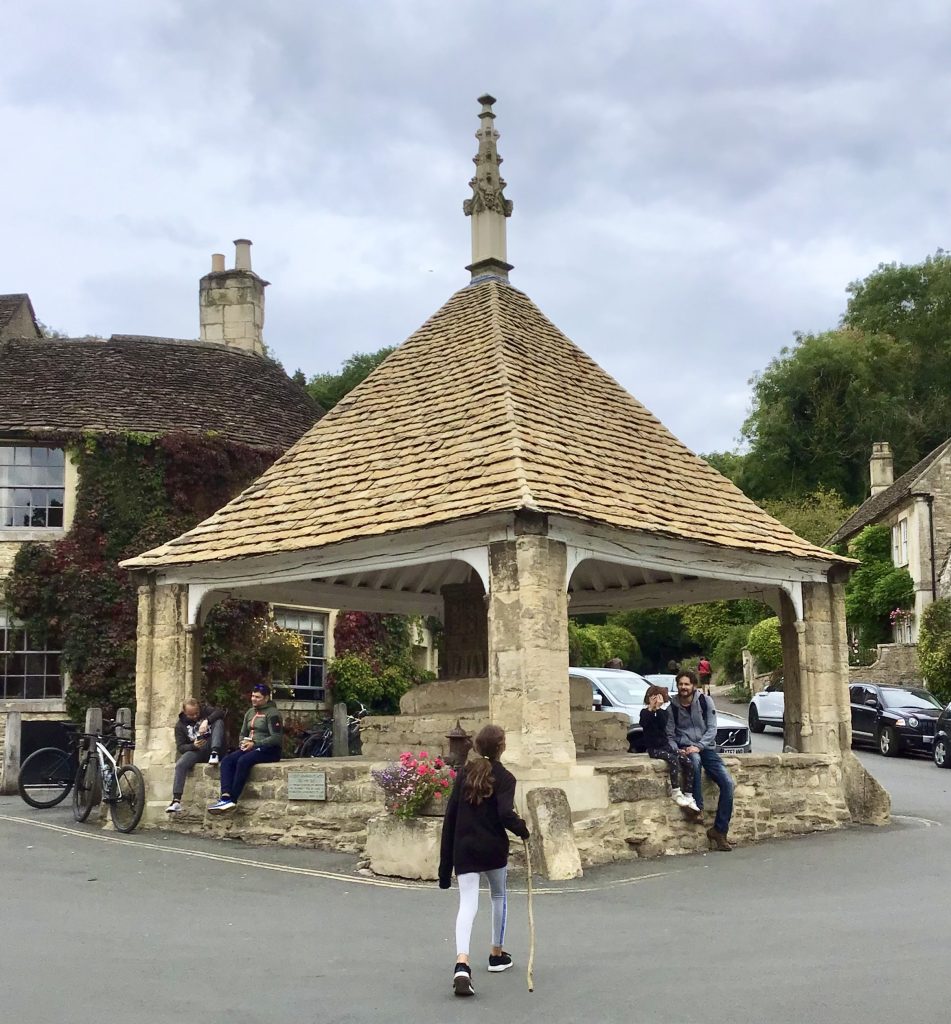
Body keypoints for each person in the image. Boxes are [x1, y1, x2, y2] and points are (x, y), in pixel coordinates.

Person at [438, 724, 530, 998]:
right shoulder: (505, 777)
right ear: (501, 747)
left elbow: (451, 817)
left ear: (477, 746)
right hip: (493, 849)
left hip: (464, 848)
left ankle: (462, 964)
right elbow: (505, 813)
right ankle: (496, 955)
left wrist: (445, 869)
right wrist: (522, 829)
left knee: (467, 903)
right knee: (498, 896)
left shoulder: (465, 773)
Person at [666, 669, 735, 852]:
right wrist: (677, 749)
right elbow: (670, 735)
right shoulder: (672, 707)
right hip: (686, 748)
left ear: (693, 686)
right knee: (694, 761)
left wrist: (700, 745)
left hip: (707, 748)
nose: (683, 687)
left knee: (728, 783)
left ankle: (719, 830)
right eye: (680, 684)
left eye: (687, 684)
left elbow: (712, 728)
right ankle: (698, 807)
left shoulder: (705, 701)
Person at [207, 683, 283, 814]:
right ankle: (225, 795)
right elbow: (243, 732)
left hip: (269, 749)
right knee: (227, 761)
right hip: (250, 747)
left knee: (243, 761)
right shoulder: (250, 712)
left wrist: (255, 744)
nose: (254, 699)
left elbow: (276, 737)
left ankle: (232, 799)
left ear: (266, 698)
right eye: (253, 696)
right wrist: (243, 742)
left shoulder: (273, 714)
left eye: (258, 697)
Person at [639, 685, 698, 812]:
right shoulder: (644, 712)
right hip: (654, 748)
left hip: (665, 746)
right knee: (673, 760)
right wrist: (651, 708)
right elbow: (644, 723)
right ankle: (676, 791)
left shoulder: (663, 713)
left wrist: (658, 708)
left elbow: (662, 724)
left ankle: (688, 794)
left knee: (687, 762)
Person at [167, 698, 226, 813]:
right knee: (180, 764)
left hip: (214, 746)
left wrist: (207, 720)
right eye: (191, 715)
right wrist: (193, 746)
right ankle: (176, 801)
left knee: (218, 721)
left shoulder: (205, 711)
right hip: (197, 750)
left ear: (199, 708)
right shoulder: (180, 726)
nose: (194, 716)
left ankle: (215, 753)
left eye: (196, 713)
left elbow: (220, 712)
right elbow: (181, 747)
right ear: (184, 712)